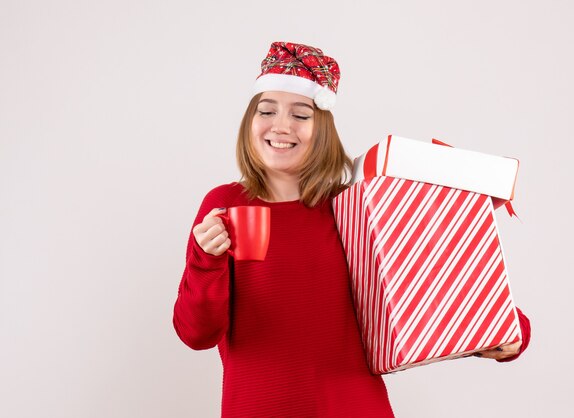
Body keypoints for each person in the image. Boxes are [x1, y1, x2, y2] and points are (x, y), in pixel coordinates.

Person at [173, 41, 531, 417]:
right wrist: (206, 260)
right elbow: (197, 334)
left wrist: (508, 330)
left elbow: (433, 275)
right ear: (250, 121)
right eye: (267, 110)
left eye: (301, 114)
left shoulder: (354, 205)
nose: (281, 125)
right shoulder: (226, 206)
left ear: (322, 128)